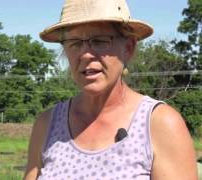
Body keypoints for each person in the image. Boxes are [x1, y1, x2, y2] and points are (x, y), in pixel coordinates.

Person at [24, 0, 198, 179]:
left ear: (128, 48)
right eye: (74, 43)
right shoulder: (47, 125)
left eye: (99, 41)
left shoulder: (160, 124)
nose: (85, 54)